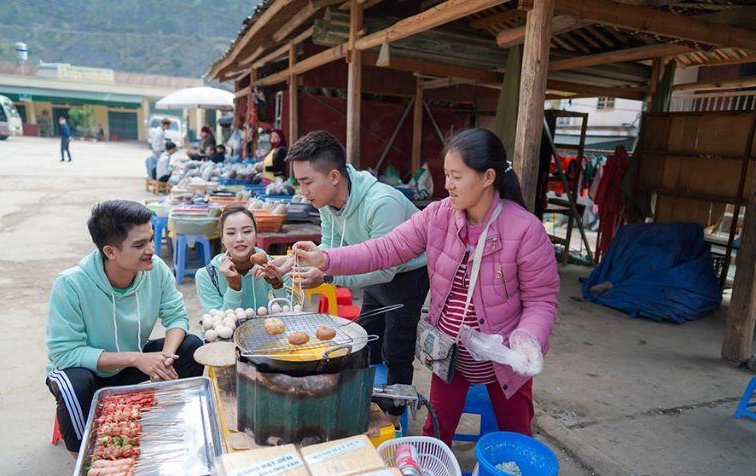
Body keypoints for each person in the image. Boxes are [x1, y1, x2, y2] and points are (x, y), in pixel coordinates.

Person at [294, 128, 559, 445]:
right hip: (451, 353)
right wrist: (327, 260)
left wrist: (528, 338)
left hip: (505, 360)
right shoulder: (439, 215)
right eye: (446, 174)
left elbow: (541, 301)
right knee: (435, 432)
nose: (447, 185)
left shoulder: (526, 230)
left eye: (457, 177)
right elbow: (384, 249)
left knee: (517, 437)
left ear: (488, 177)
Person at [280, 130, 428, 421]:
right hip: (368, 270)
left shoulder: (383, 203)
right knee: (367, 337)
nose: (303, 191)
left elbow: (385, 269)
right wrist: (296, 260)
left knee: (397, 344)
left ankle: (396, 413)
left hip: (407, 275)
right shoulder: (328, 203)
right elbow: (332, 248)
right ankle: (366, 399)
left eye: (307, 182)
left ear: (334, 176)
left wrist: (327, 276)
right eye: (299, 183)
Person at [45, 200, 204, 458]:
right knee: (72, 384)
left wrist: (165, 357)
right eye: (140, 245)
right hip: (93, 372)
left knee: (192, 346)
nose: (151, 249)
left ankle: (169, 426)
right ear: (110, 251)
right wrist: (137, 358)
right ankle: (85, 463)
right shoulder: (70, 285)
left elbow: (176, 317)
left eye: (152, 239)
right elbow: (64, 354)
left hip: (131, 364)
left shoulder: (156, 270)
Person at [195, 206, 288, 312]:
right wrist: (234, 288)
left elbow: (292, 313)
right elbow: (215, 323)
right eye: (231, 233)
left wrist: (277, 285)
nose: (240, 238)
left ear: (256, 235)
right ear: (223, 239)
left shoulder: (276, 267)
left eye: (247, 231)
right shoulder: (207, 276)